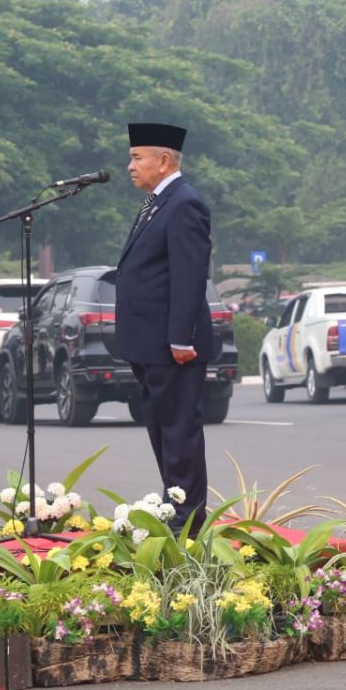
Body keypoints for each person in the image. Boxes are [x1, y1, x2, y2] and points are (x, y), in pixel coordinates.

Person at [116, 122, 214, 534]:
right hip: (149, 344)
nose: (130, 166)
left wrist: (181, 336)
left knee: (179, 433)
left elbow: (189, 275)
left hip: (172, 346)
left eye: (138, 157)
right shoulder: (158, 202)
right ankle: (174, 506)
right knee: (161, 430)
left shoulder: (184, 203)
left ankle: (187, 519)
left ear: (165, 160)